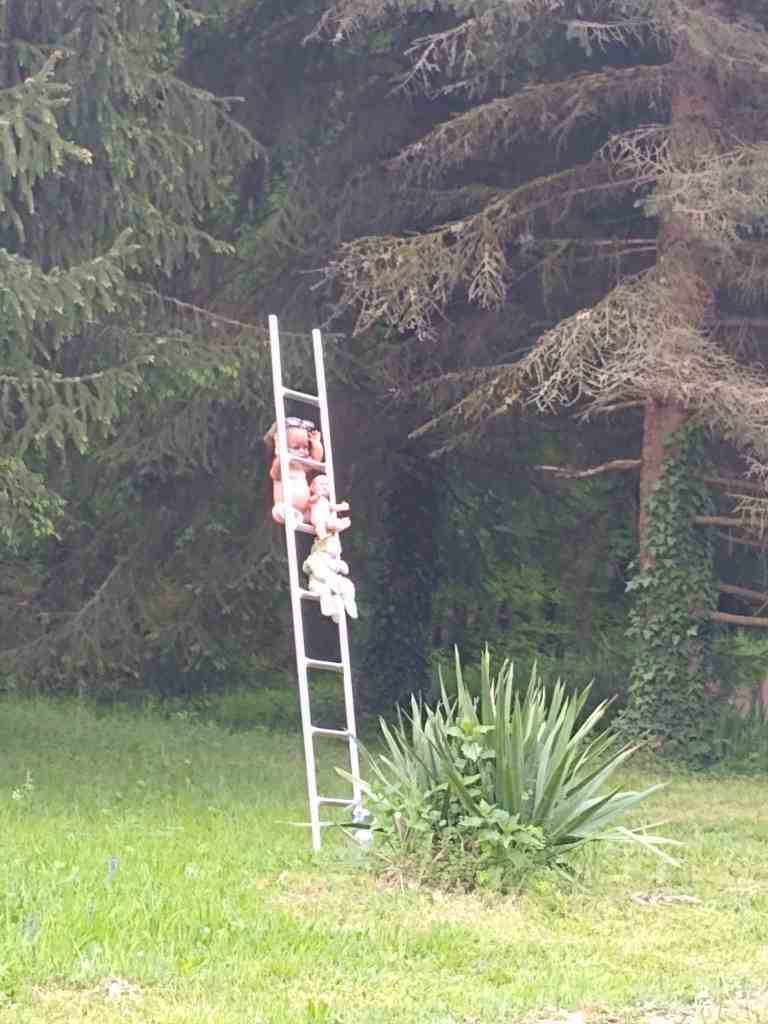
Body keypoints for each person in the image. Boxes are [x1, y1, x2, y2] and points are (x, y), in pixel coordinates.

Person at [267, 417, 323, 525]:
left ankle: (326, 522)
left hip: (305, 511)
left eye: (305, 447)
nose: (303, 451)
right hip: (287, 508)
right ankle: (292, 515)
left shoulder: (301, 466)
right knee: (277, 511)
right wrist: (281, 456)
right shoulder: (284, 466)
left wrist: (316, 443)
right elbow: (274, 474)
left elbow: (317, 461)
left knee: (319, 506)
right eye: (296, 448)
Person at [302, 533, 358, 622]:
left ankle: (349, 602)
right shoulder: (316, 556)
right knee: (325, 591)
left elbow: (344, 569)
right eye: (335, 545)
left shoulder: (334, 560)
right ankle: (328, 608)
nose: (338, 548)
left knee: (347, 585)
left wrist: (341, 566)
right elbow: (310, 569)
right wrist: (310, 568)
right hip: (319, 582)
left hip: (333, 581)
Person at [308, 474, 351, 539]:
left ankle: (340, 525)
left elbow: (332, 507)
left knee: (332, 522)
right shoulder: (315, 498)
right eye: (321, 484)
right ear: (312, 487)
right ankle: (323, 537)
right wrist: (318, 495)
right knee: (320, 527)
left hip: (326, 518)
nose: (324, 487)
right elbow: (310, 501)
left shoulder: (325, 501)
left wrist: (342, 507)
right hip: (318, 519)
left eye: (327, 485)